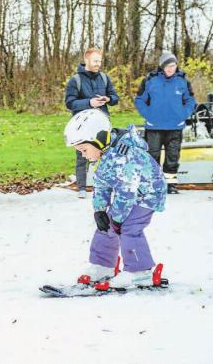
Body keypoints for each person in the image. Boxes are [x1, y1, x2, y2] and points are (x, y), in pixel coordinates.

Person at [64, 109, 167, 288]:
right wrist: (100, 210)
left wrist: (117, 219)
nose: (83, 155)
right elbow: (102, 183)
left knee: (128, 228)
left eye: (84, 149)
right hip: (128, 196)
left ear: (98, 140)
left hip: (147, 194)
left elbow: (127, 191)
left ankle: (140, 272)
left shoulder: (124, 156)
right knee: (105, 226)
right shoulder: (103, 155)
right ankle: (103, 266)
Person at [135, 51, 196, 194]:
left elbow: (190, 100)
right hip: (154, 127)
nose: (171, 69)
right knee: (152, 155)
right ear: (162, 67)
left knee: (172, 156)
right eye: (168, 66)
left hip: (175, 127)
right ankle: (152, 184)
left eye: (173, 65)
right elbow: (139, 100)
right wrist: (149, 115)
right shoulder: (150, 80)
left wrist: (183, 114)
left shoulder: (183, 81)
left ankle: (170, 185)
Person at [64, 48, 120, 198]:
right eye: (95, 61)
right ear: (87, 60)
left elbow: (115, 97)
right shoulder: (75, 80)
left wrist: (108, 99)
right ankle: (82, 187)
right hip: (82, 125)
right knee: (82, 155)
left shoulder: (104, 77)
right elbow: (70, 103)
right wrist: (89, 102)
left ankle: (105, 185)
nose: (98, 64)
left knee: (106, 154)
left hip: (102, 123)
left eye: (100, 61)